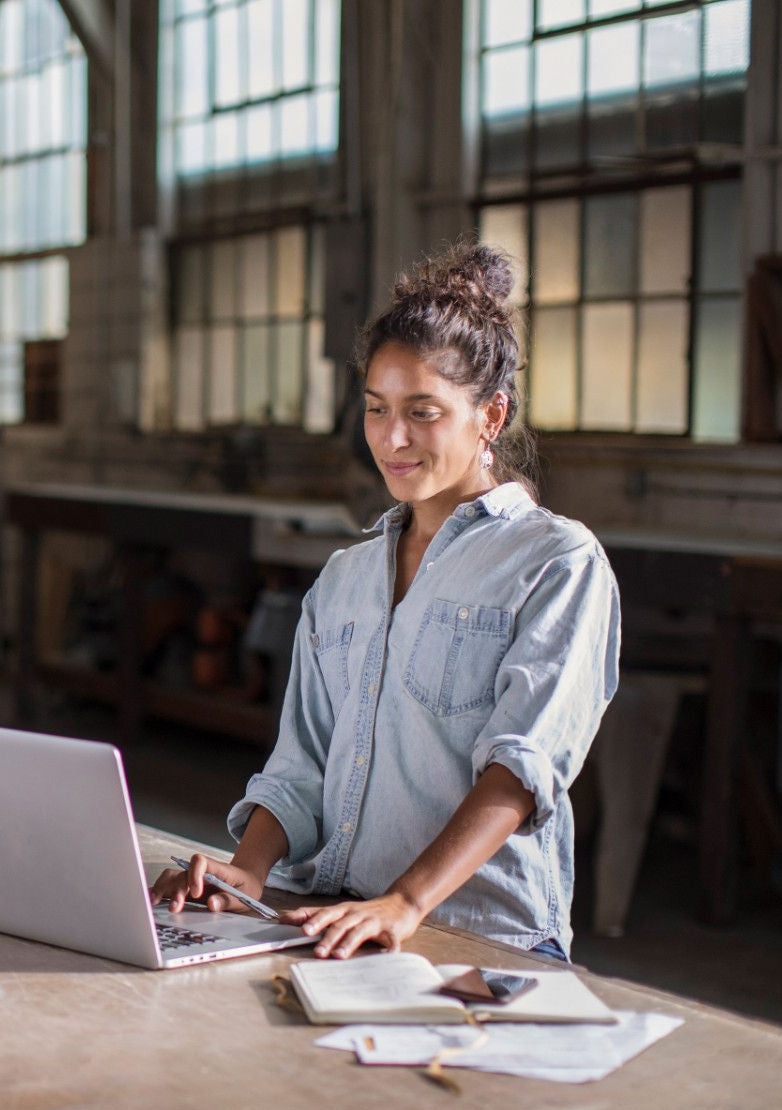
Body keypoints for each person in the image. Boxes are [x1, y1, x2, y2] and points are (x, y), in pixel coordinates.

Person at [151, 243, 620, 962]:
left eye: (422, 412)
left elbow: (523, 772)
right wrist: (248, 871)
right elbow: (300, 764)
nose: (392, 439)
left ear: (490, 415)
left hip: (477, 937)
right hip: (332, 919)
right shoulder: (343, 578)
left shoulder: (556, 564)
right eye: (376, 409)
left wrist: (406, 903)